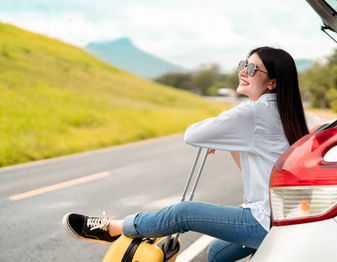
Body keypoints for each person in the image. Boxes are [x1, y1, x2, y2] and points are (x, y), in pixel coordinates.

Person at [62, 46, 309, 261]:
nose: (243, 71)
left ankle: (114, 228)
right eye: (243, 64)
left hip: (263, 221)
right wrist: (229, 140)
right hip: (284, 219)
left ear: (272, 83)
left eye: (253, 69)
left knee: (184, 212)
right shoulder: (286, 114)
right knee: (216, 253)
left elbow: (192, 134)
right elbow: (257, 170)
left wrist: (221, 133)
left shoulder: (253, 114)